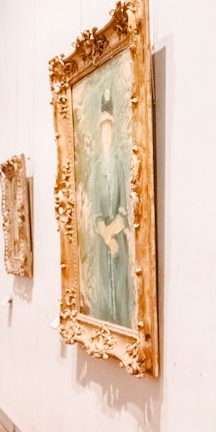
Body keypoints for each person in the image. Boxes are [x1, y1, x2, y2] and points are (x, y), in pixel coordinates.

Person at [86, 88, 134, 327]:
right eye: (103, 128)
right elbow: (95, 213)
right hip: (103, 244)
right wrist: (106, 237)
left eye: (110, 128)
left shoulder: (119, 164)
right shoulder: (95, 167)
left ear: (113, 131)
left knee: (122, 301)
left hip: (118, 243)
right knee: (105, 298)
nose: (106, 133)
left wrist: (115, 234)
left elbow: (124, 210)